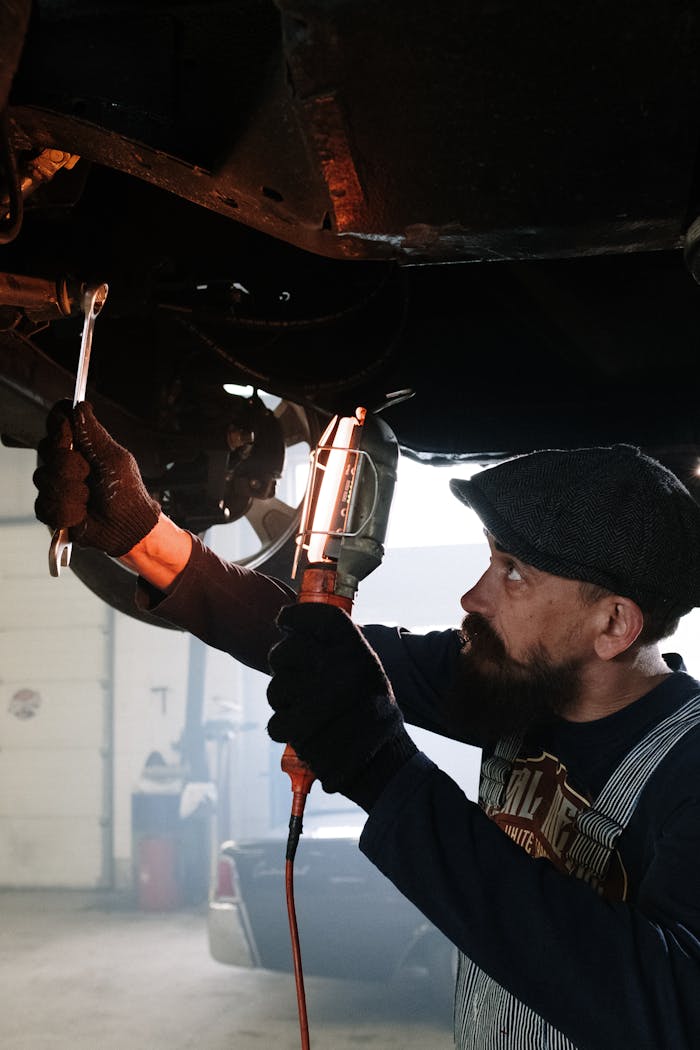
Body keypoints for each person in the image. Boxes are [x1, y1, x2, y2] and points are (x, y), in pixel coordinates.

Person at [33, 400, 700, 1050]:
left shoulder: (688, 768)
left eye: (513, 573)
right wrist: (142, 533)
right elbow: (301, 639)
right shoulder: (513, 684)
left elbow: (663, 1011)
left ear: (613, 624)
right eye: (490, 559)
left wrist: (385, 772)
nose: (472, 597)